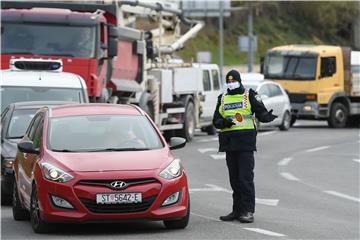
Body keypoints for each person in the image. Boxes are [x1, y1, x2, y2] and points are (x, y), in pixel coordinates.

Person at [212, 69, 277, 223]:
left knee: (245, 179)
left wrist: (267, 117)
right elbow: (216, 120)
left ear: (239, 81)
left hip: (245, 144)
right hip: (229, 143)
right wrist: (224, 122)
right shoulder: (222, 98)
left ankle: (247, 211)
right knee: (234, 180)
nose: (231, 83)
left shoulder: (249, 95)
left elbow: (261, 112)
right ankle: (237, 210)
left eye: (233, 81)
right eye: (228, 81)